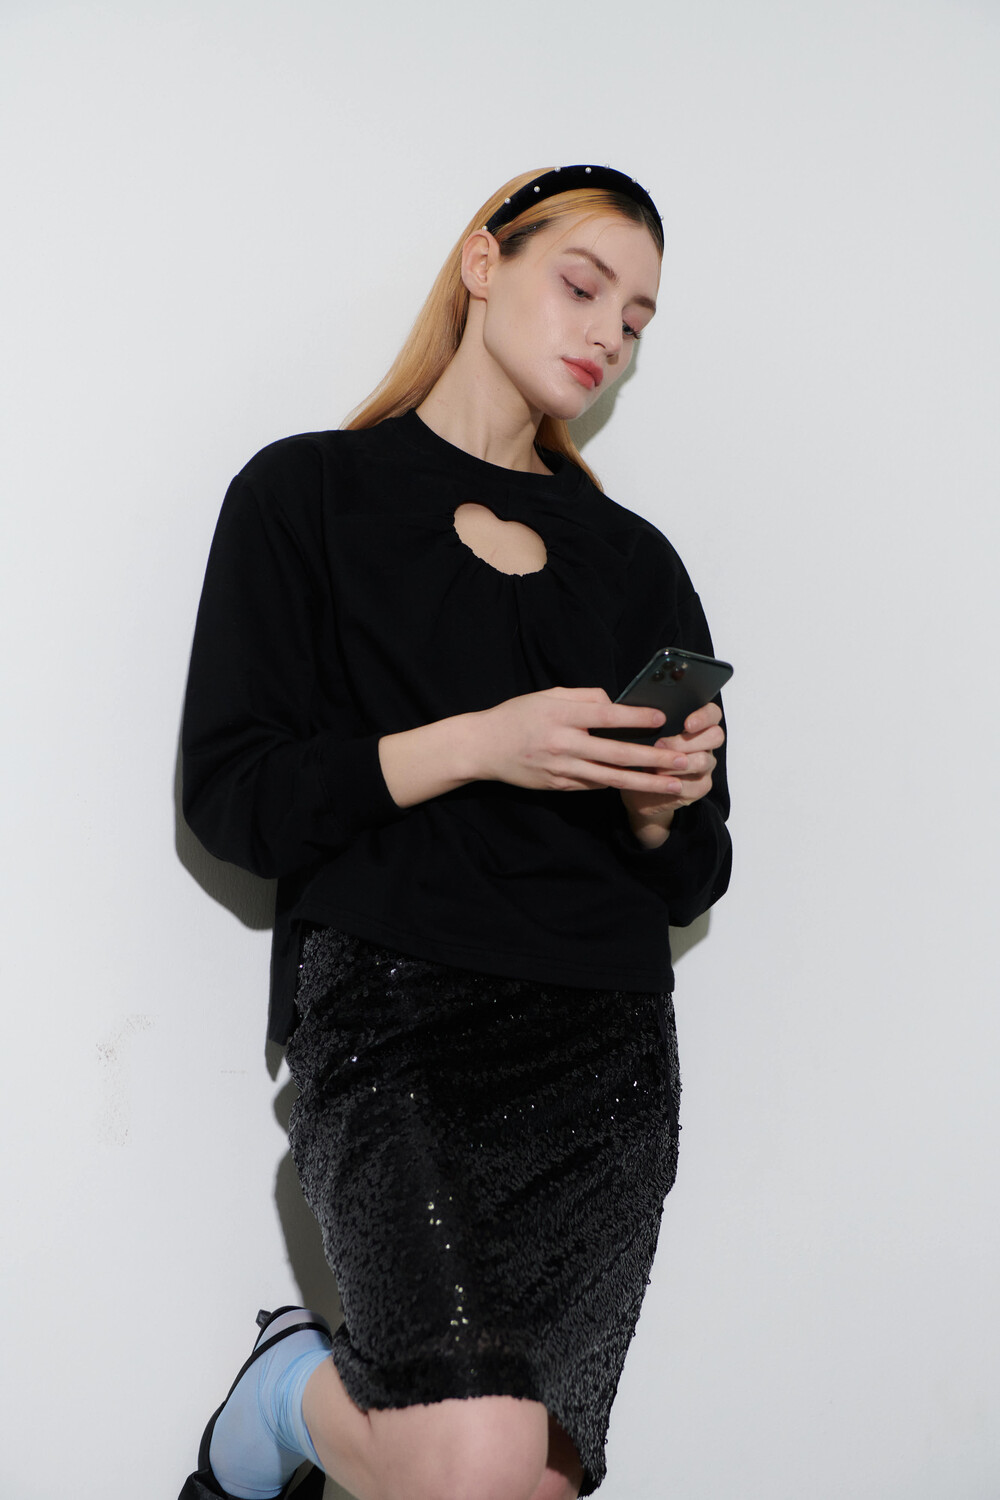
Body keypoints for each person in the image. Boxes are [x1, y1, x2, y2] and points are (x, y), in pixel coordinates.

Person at [179, 164, 731, 1500]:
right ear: (484, 263)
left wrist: (661, 807)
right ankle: (287, 1390)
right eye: (583, 285)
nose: (608, 335)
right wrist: (483, 743)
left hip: (604, 1060)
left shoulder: (637, 563)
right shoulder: (305, 497)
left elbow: (698, 873)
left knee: (528, 1480)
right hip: (394, 1021)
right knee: (474, 1454)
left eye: (637, 320)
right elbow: (237, 796)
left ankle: (295, 1399)